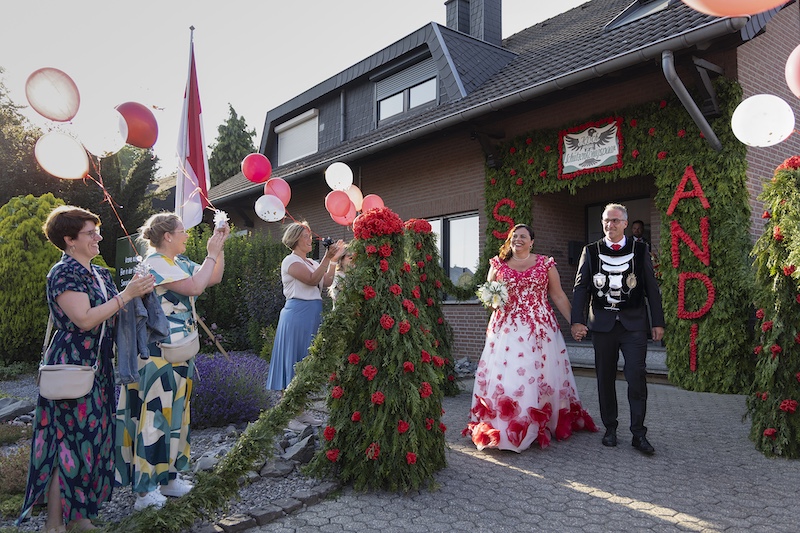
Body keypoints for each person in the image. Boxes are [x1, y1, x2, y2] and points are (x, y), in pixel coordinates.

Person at [18, 206, 154, 533]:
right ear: (69, 240)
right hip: (72, 364)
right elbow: (85, 319)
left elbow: (112, 315)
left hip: (98, 366)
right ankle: (54, 525)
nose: (98, 237)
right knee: (65, 445)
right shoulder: (63, 273)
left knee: (92, 441)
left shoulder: (100, 273)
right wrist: (127, 295)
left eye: (97, 231)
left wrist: (141, 300)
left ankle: (79, 518)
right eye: (90, 233)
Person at [115, 213, 229, 511]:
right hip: (158, 355)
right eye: (182, 231)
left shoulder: (177, 262)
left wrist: (221, 246)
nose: (186, 235)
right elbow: (194, 288)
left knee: (177, 414)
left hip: (180, 351)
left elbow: (212, 276)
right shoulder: (154, 264)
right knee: (155, 417)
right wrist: (211, 253)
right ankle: (145, 489)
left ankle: (169, 477)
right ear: (167, 236)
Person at [464, 224, 596, 452]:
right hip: (507, 329)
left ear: (532, 241)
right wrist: (493, 300)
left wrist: (574, 322)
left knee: (539, 375)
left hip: (540, 328)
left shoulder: (545, 264)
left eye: (523, 237)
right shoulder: (498, 265)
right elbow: (489, 296)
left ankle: (539, 422)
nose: (518, 240)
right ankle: (508, 425)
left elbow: (558, 294)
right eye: (514, 237)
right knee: (511, 376)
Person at [571, 203, 665, 455]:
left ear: (625, 223)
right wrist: (576, 320)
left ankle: (638, 433)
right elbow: (581, 288)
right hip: (602, 325)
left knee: (636, 376)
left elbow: (651, 288)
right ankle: (610, 428)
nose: (609, 225)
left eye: (615, 221)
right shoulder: (590, 251)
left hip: (634, 325)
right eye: (606, 220)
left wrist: (657, 322)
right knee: (604, 378)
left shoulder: (640, 249)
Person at [266, 223, 344, 397]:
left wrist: (332, 261)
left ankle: (301, 411)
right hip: (298, 314)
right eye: (306, 236)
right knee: (295, 360)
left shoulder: (310, 262)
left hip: (312, 314)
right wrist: (326, 258)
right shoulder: (290, 260)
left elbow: (327, 281)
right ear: (295, 239)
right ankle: (290, 415)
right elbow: (311, 280)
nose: (310, 239)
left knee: (307, 362)